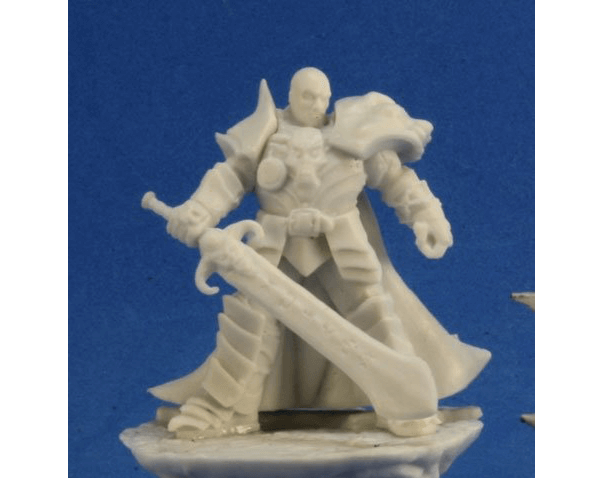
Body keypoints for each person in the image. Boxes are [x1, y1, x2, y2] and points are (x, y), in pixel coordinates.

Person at [148, 67, 490, 438]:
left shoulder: (353, 135)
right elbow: (230, 177)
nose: (315, 105)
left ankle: (408, 402)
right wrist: (198, 211)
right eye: (307, 96)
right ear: (290, 96)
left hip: (340, 245)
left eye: (322, 98)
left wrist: (426, 217)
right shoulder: (266, 135)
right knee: (252, 323)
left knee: (373, 316)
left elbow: (395, 179)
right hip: (275, 245)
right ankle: (228, 408)